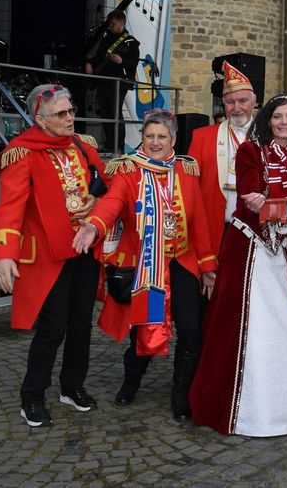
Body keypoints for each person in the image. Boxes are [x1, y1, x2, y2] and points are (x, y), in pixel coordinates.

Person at [189, 95, 287, 436]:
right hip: (249, 247)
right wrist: (264, 199)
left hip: (278, 249)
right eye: (278, 116)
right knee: (245, 321)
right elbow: (250, 195)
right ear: (267, 119)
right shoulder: (251, 151)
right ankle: (244, 408)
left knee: (283, 322)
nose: (284, 123)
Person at [72, 109, 217, 421]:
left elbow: (200, 220)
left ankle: (182, 395)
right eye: (149, 136)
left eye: (161, 136)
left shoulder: (187, 170)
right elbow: (112, 202)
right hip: (147, 264)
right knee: (143, 331)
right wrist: (94, 225)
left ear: (173, 140)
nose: (155, 142)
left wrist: (207, 266)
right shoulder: (129, 171)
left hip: (182, 260)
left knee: (191, 330)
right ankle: (131, 381)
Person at [0, 84, 106, 427]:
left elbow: (106, 181)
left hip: (84, 249)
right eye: (61, 113)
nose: (70, 117)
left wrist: (97, 201)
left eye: (71, 110)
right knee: (52, 328)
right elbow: (9, 208)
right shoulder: (21, 152)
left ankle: (71, 387)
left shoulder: (83, 147)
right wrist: (4, 254)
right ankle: (32, 396)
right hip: (49, 255)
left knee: (82, 324)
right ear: (40, 119)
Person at [187, 61, 257, 254]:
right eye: (230, 102)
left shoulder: (268, 138)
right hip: (217, 230)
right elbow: (190, 190)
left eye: (243, 101)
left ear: (254, 102)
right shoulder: (201, 137)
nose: (236, 108)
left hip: (258, 231)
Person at [83, 9, 140, 154]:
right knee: (106, 114)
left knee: (115, 114)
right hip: (103, 81)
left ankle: (119, 147)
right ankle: (109, 145)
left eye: (113, 23)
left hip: (118, 83)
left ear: (121, 22)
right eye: (110, 24)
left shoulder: (130, 42)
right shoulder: (106, 38)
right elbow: (98, 57)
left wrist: (121, 61)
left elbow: (133, 62)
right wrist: (89, 63)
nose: (111, 26)